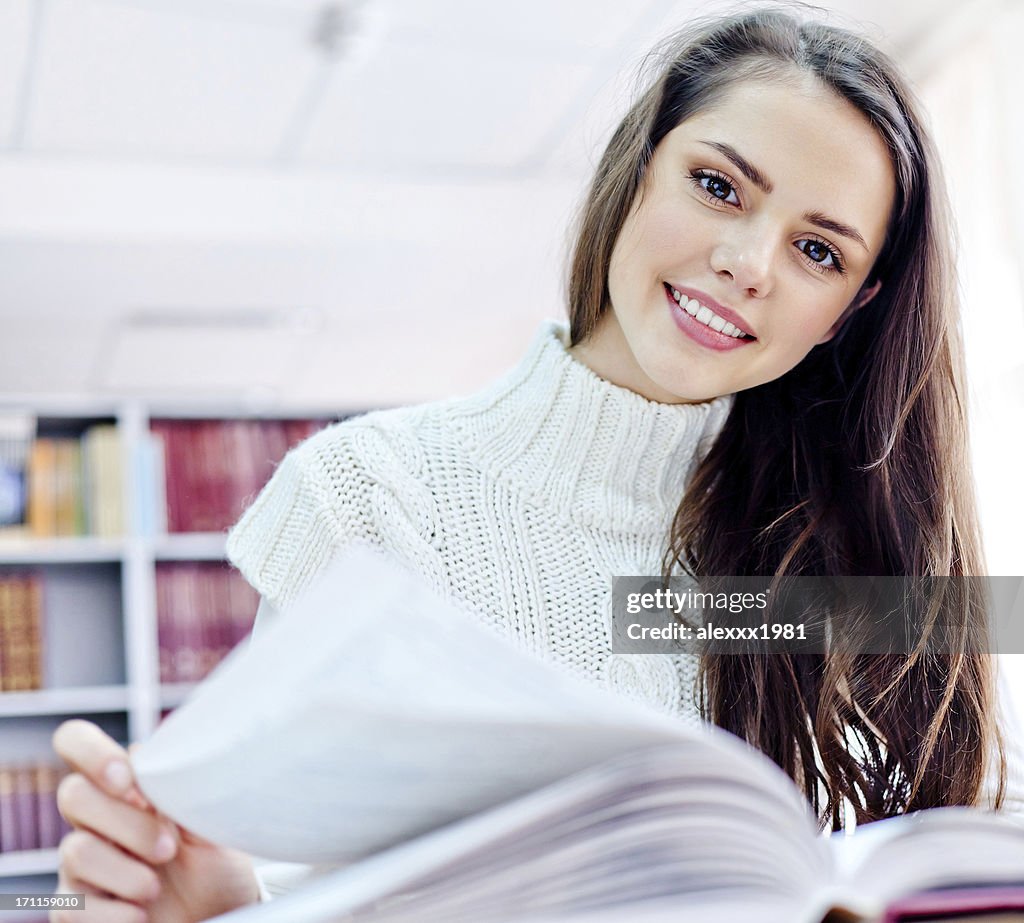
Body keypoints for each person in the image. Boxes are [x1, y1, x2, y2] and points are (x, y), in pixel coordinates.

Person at [48, 7, 1019, 922]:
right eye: (718, 185)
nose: (749, 261)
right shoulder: (372, 497)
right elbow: (287, 878)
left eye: (816, 250)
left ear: (850, 309)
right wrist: (224, 907)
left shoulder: (823, 570)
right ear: (638, 169)